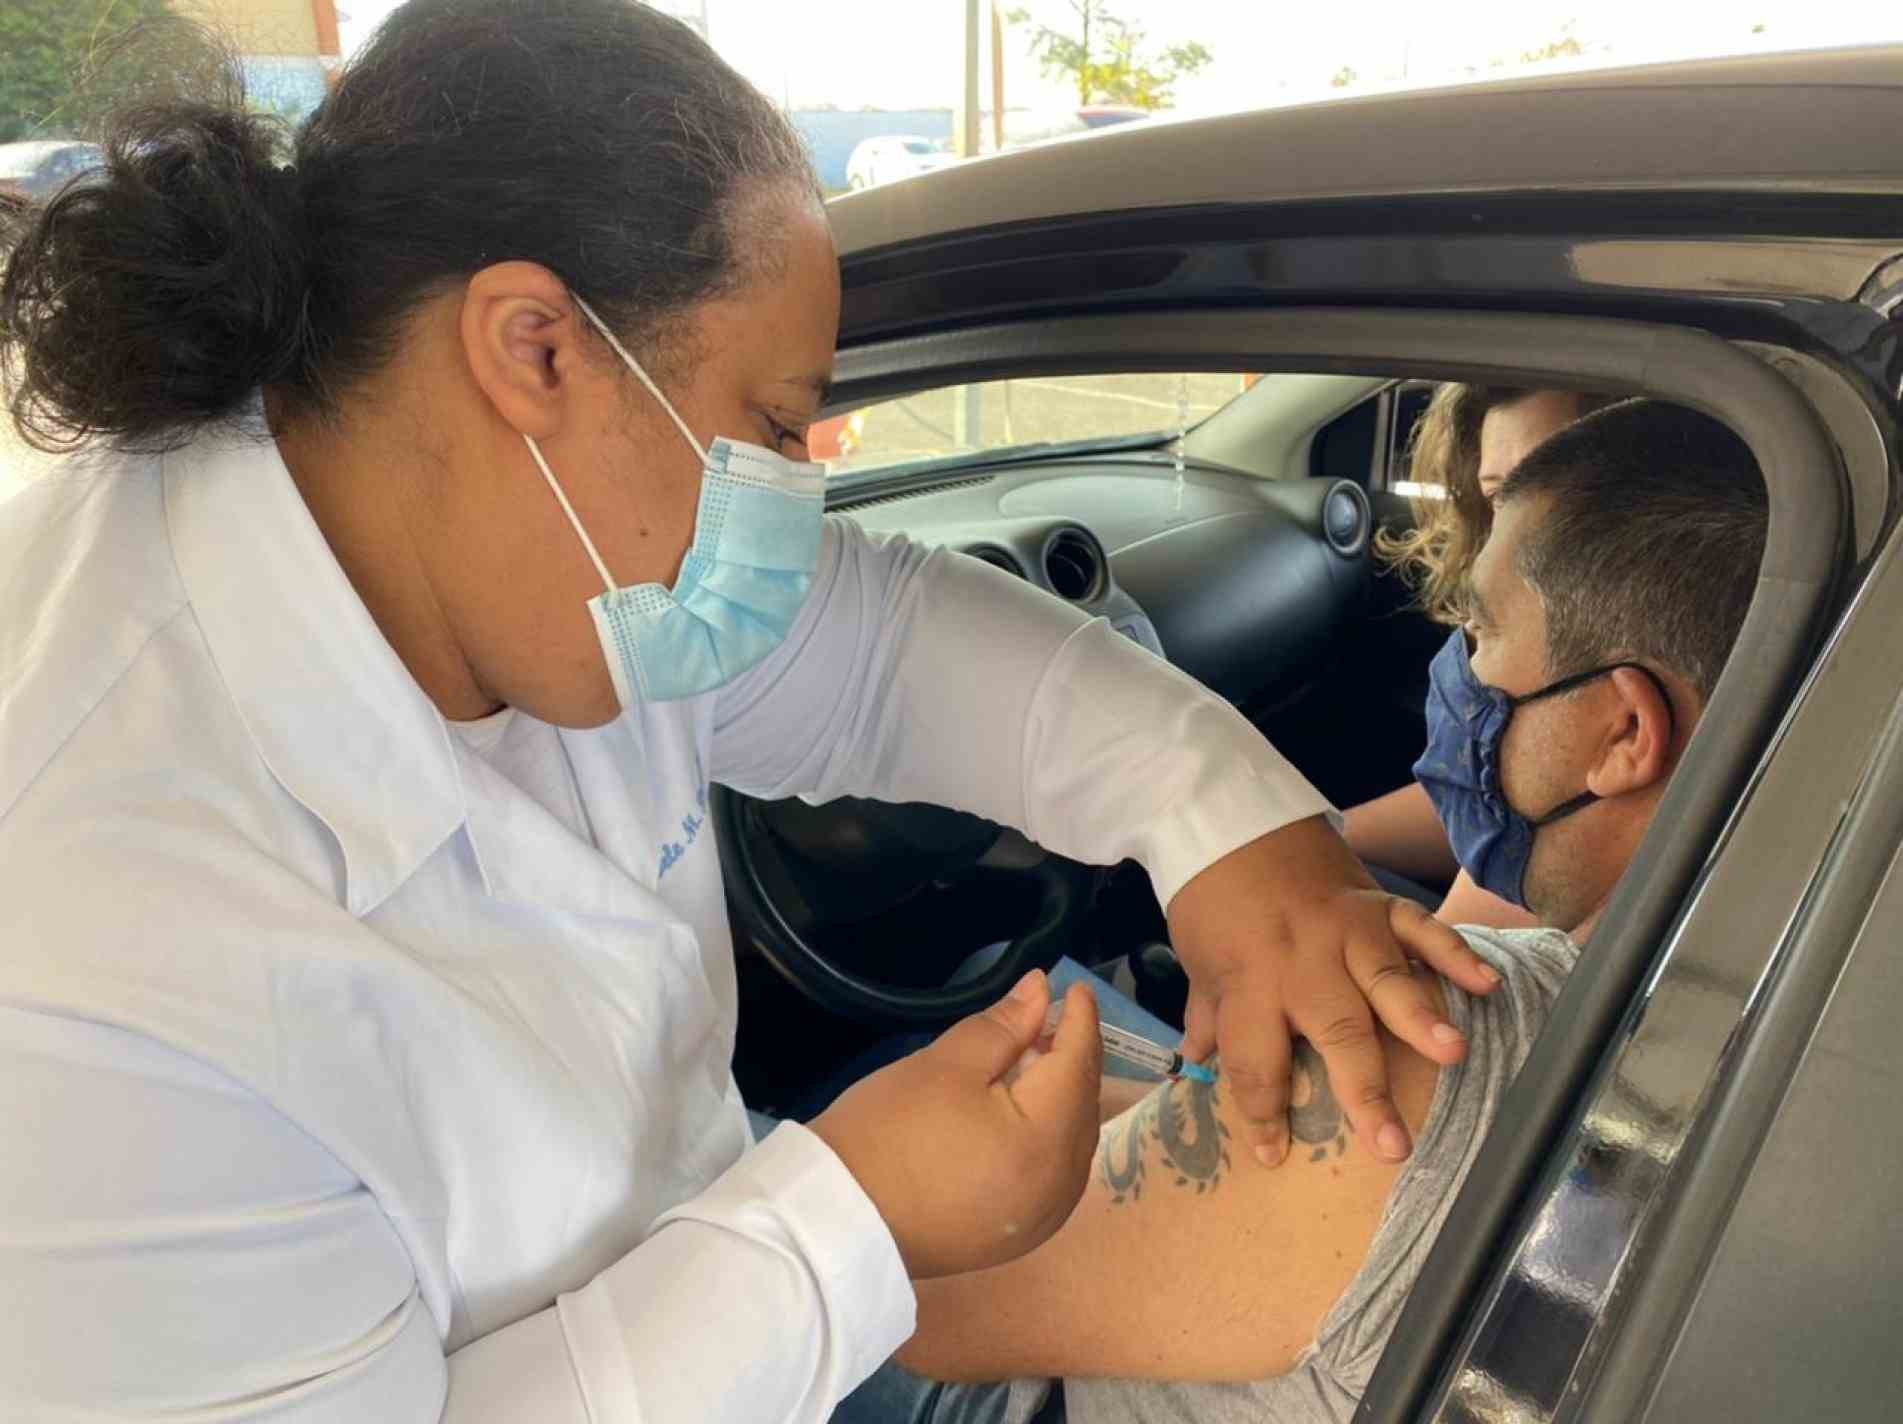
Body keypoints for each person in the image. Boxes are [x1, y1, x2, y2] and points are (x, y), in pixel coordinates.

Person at [0, 3, 1498, 1420]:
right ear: (533, 351)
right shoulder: (85, 942)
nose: (802, 492)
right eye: (775, 426)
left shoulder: (523, 540)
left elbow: (889, 647)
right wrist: (844, 1222)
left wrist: (1228, 823)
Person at [878, 400, 1767, 1423]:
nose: (1454, 673)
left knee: (907, 1039)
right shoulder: (1748, 1006)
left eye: (1478, 634)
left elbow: (912, 1311)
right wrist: (1178, 1107)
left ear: (1621, 731)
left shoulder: (1428, 1044)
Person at [1345, 383, 1615, 928]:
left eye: (1560, 494)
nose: (1510, 537)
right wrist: (1321, 839)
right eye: (1499, 497)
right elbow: (1489, 794)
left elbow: (1463, 967)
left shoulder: (1593, 670)